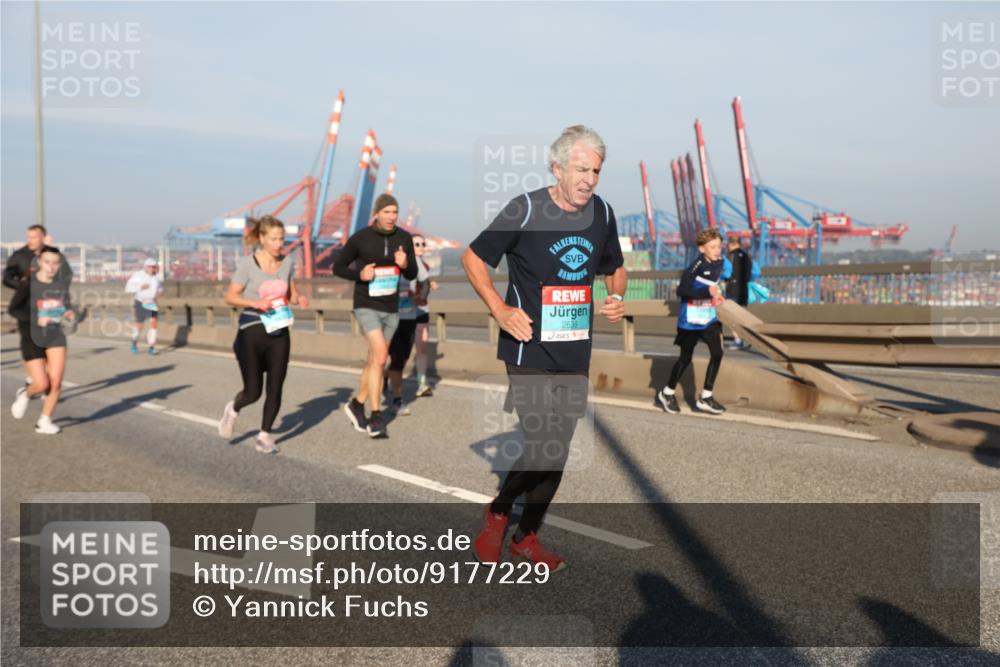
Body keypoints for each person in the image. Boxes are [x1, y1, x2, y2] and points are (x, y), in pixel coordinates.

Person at [463, 125, 626, 572]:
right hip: (527, 349)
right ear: (557, 168)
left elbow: (616, 268)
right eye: (581, 169)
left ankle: (525, 535)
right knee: (544, 444)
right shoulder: (525, 209)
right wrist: (499, 309)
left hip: (574, 353)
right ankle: (498, 511)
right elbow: (473, 258)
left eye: (596, 170)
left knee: (558, 449)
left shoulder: (603, 215)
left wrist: (616, 295)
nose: (590, 179)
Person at [217, 215, 307, 454]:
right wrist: (256, 303)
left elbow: (292, 293)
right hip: (252, 330)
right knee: (253, 391)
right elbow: (230, 296)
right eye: (274, 239)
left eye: (282, 239)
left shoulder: (287, 263)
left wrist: (299, 299)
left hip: (279, 331)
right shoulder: (248, 264)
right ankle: (233, 409)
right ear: (262, 238)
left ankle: (264, 435)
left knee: (276, 387)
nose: (279, 244)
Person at [333, 193, 417, 438]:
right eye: (387, 212)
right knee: (381, 357)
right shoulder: (361, 239)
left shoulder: (404, 238)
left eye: (395, 212)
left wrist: (404, 264)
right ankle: (376, 416)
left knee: (373, 362)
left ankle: (356, 404)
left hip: (391, 308)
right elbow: (337, 267)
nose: (391, 217)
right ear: (377, 214)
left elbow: (411, 274)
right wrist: (360, 275)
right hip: (366, 305)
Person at [657, 228, 727, 416]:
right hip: (690, 320)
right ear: (702, 248)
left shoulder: (720, 263)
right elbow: (682, 291)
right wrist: (708, 293)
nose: (717, 250)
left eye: (719, 246)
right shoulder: (695, 266)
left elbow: (716, 284)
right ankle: (667, 392)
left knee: (718, 353)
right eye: (712, 247)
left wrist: (720, 293)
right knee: (685, 359)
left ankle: (706, 396)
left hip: (708, 317)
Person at [9, 247, 75, 434]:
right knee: (41, 384)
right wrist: (35, 318)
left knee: (56, 382)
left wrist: (69, 313)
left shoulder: (61, 285)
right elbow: (13, 309)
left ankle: (44, 421)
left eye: (55, 263)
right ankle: (26, 394)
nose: (51, 267)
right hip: (31, 336)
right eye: (47, 262)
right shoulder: (29, 284)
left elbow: (66, 306)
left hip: (55, 335)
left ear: (59, 264)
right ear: (39, 262)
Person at [3, 225, 66, 393]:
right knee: (30, 341)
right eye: (28, 237)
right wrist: (25, 285)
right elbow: (7, 278)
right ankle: (33, 377)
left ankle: (44, 382)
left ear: (43, 238)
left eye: (34, 237)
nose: (29, 241)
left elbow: (62, 272)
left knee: (48, 343)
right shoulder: (19, 256)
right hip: (26, 305)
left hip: (47, 304)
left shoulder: (50, 254)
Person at [386, 233, 432, 414]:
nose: (420, 246)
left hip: (413, 315)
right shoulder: (387, 261)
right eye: (416, 244)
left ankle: (417, 385)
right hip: (388, 316)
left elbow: (425, 283)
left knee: (409, 354)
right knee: (386, 356)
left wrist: (422, 296)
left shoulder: (418, 264)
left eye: (423, 243)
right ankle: (388, 389)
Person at [125, 257, 164, 354]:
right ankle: (134, 341)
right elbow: (128, 288)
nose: (152, 269)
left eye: (154, 267)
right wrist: (140, 287)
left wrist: (159, 293)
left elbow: (160, 288)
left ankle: (151, 346)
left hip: (151, 303)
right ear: (145, 267)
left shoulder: (156, 277)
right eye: (150, 267)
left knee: (154, 323)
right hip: (140, 302)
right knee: (140, 325)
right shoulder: (138, 275)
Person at [725, 235, 752, 349]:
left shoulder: (731, 256)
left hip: (733, 290)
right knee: (741, 316)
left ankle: (738, 340)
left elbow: (726, 273)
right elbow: (753, 272)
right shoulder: (746, 256)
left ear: (731, 244)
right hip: (744, 290)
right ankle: (745, 339)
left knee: (731, 316)